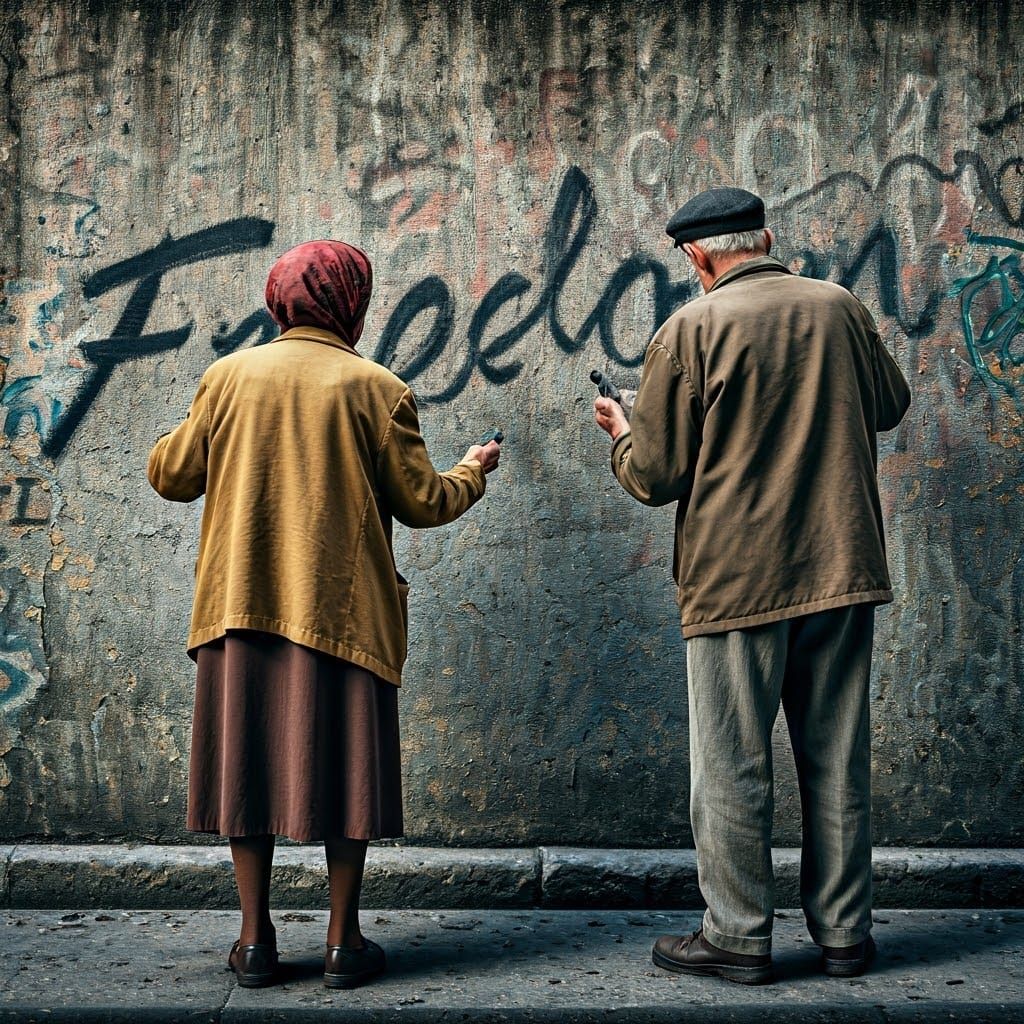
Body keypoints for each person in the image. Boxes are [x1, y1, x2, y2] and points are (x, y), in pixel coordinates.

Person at [148, 240, 501, 990]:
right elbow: (424, 502)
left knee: (243, 774)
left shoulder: (228, 377)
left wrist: (175, 435)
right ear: (353, 303)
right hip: (342, 620)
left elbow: (173, 476)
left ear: (279, 301)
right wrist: (473, 470)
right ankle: (344, 942)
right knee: (348, 779)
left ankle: (254, 942)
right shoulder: (377, 387)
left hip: (240, 611)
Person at [593, 187, 910, 986]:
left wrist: (624, 430)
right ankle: (844, 935)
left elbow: (658, 475)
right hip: (839, 565)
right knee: (837, 758)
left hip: (736, 579)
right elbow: (891, 403)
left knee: (731, 762)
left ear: (698, 257)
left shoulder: (690, 329)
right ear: (765, 237)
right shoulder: (838, 306)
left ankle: (736, 935)